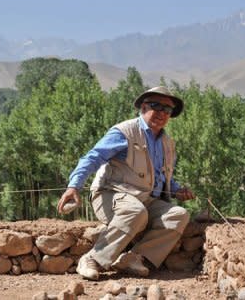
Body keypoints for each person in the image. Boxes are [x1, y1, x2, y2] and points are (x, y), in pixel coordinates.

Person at [57, 86, 195, 280]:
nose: (162, 113)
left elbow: (162, 176)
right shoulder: (124, 132)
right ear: (144, 107)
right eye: (157, 106)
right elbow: (93, 157)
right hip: (110, 193)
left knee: (179, 214)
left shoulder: (167, 142)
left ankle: (132, 258)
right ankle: (92, 259)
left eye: (168, 109)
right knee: (135, 211)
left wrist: (177, 189)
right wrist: (74, 186)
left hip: (145, 199)